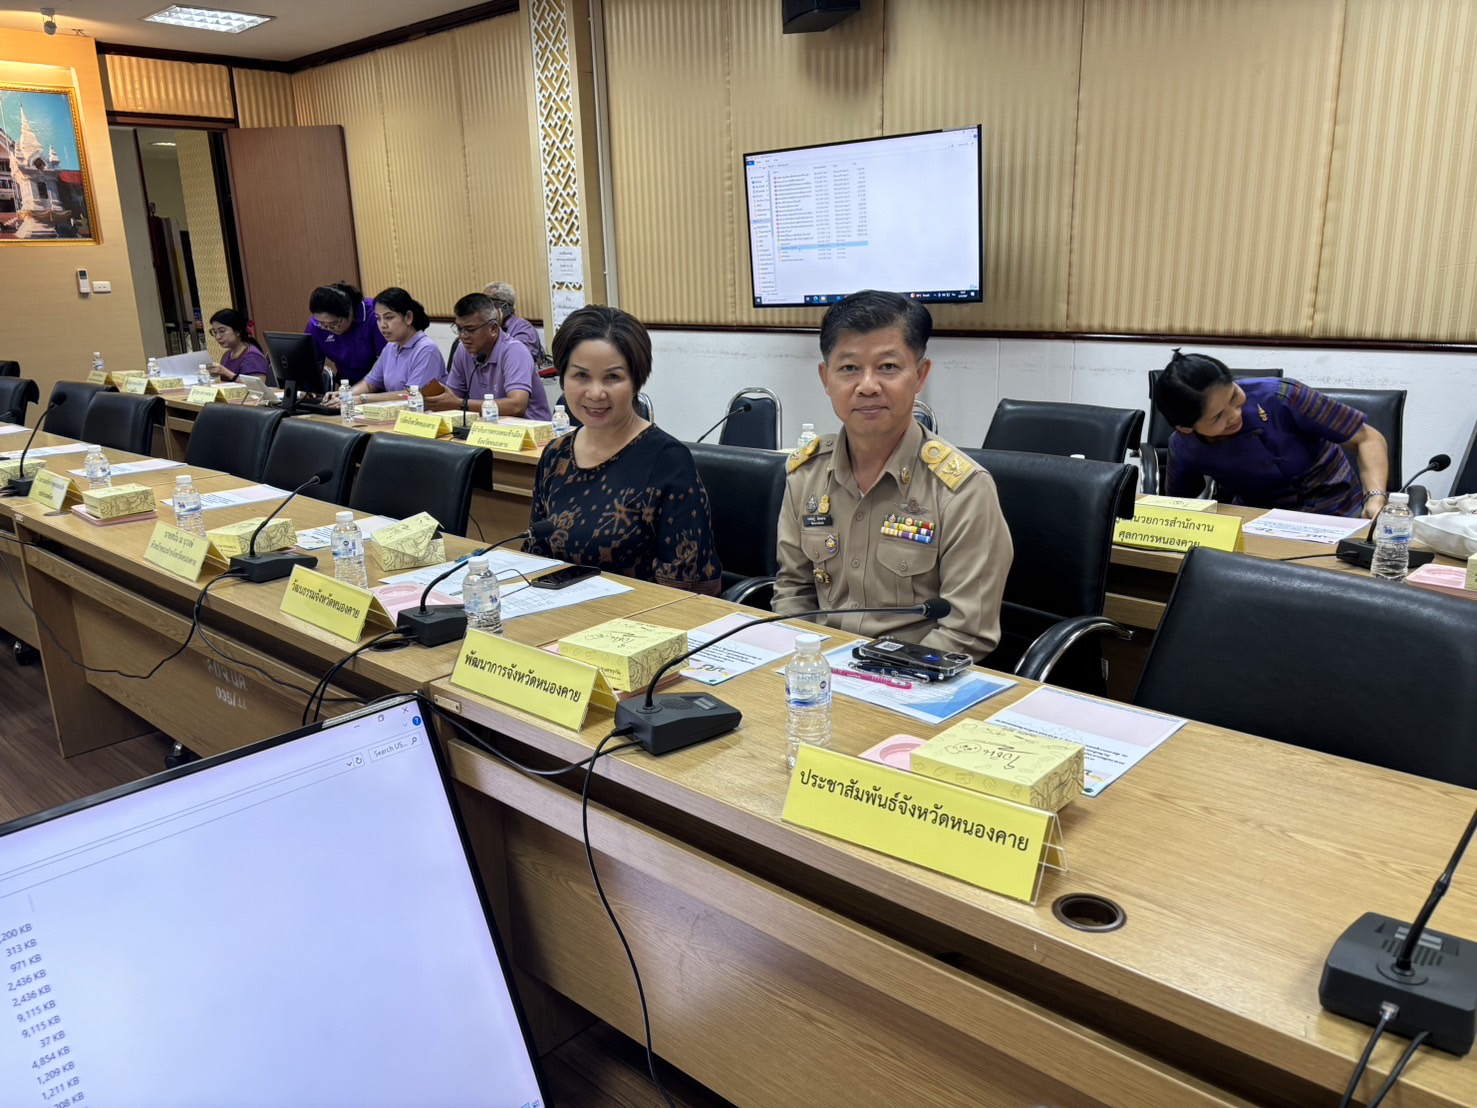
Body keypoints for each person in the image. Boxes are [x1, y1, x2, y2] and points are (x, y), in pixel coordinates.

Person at [773, 290, 1013, 660]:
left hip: (914, 679)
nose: (868, 385)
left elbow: (966, 633)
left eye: (887, 367)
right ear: (826, 378)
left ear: (920, 375)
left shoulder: (962, 491)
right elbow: (793, 590)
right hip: (818, 672)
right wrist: (807, 664)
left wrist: (873, 677)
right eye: (849, 368)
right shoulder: (806, 475)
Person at [524, 305, 721, 593]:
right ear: (563, 377)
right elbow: (535, 556)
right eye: (580, 376)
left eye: (613, 377)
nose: (595, 393)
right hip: (559, 618)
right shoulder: (556, 454)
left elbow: (688, 588)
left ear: (636, 381)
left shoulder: (667, 462)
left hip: (638, 627)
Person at [1155, 351, 1390, 518]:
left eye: (1234, 397)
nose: (1235, 415)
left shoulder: (1280, 395)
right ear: (1185, 428)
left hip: (1339, 510)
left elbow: (1368, 438)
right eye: (1217, 417)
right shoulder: (1184, 446)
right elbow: (1176, 505)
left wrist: (1375, 497)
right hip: (1260, 521)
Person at [430, 292, 551, 419]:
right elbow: (453, 398)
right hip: (487, 430)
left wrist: (462, 405)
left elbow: (516, 406)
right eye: (459, 329)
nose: (463, 336)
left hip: (529, 433)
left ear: (493, 328)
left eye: (470, 330)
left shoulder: (515, 351)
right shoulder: (463, 350)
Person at [352, 288, 445, 398]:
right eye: (378, 318)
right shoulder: (390, 347)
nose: (382, 325)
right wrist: (344, 396)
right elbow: (369, 384)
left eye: (389, 317)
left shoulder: (426, 349)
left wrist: (362, 399)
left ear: (408, 317)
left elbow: (411, 395)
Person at [305, 281, 387, 386]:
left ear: (350, 311)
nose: (328, 328)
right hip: (347, 386)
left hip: (381, 386)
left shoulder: (374, 316)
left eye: (334, 323)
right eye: (322, 324)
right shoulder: (315, 325)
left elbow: (385, 363)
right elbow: (311, 366)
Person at [484, 281, 549, 368]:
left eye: (487, 303)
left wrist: (497, 330)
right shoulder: (484, 327)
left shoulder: (524, 329)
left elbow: (518, 361)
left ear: (504, 307)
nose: (481, 308)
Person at [205, 308, 269, 381]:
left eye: (222, 331)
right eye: (214, 332)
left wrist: (226, 373)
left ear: (238, 331)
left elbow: (258, 387)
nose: (217, 337)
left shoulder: (252, 355)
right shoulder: (227, 355)